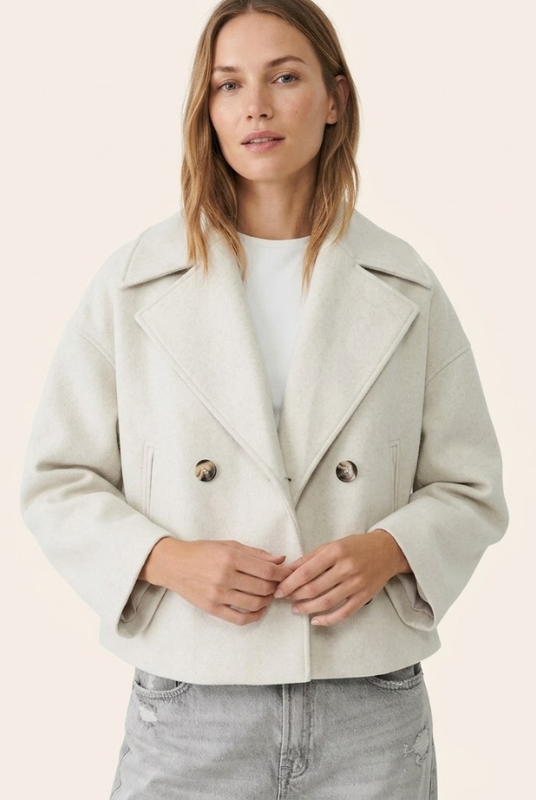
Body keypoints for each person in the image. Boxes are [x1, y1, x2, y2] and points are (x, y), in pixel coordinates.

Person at [19, 0, 509, 798]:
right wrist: (168, 560)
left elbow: (471, 486)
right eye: (229, 84)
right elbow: (55, 480)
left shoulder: (404, 284)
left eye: (284, 77)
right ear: (206, 108)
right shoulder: (134, 283)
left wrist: (387, 549)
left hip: (368, 701)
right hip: (192, 699)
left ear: (335, 99)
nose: (256, 106)